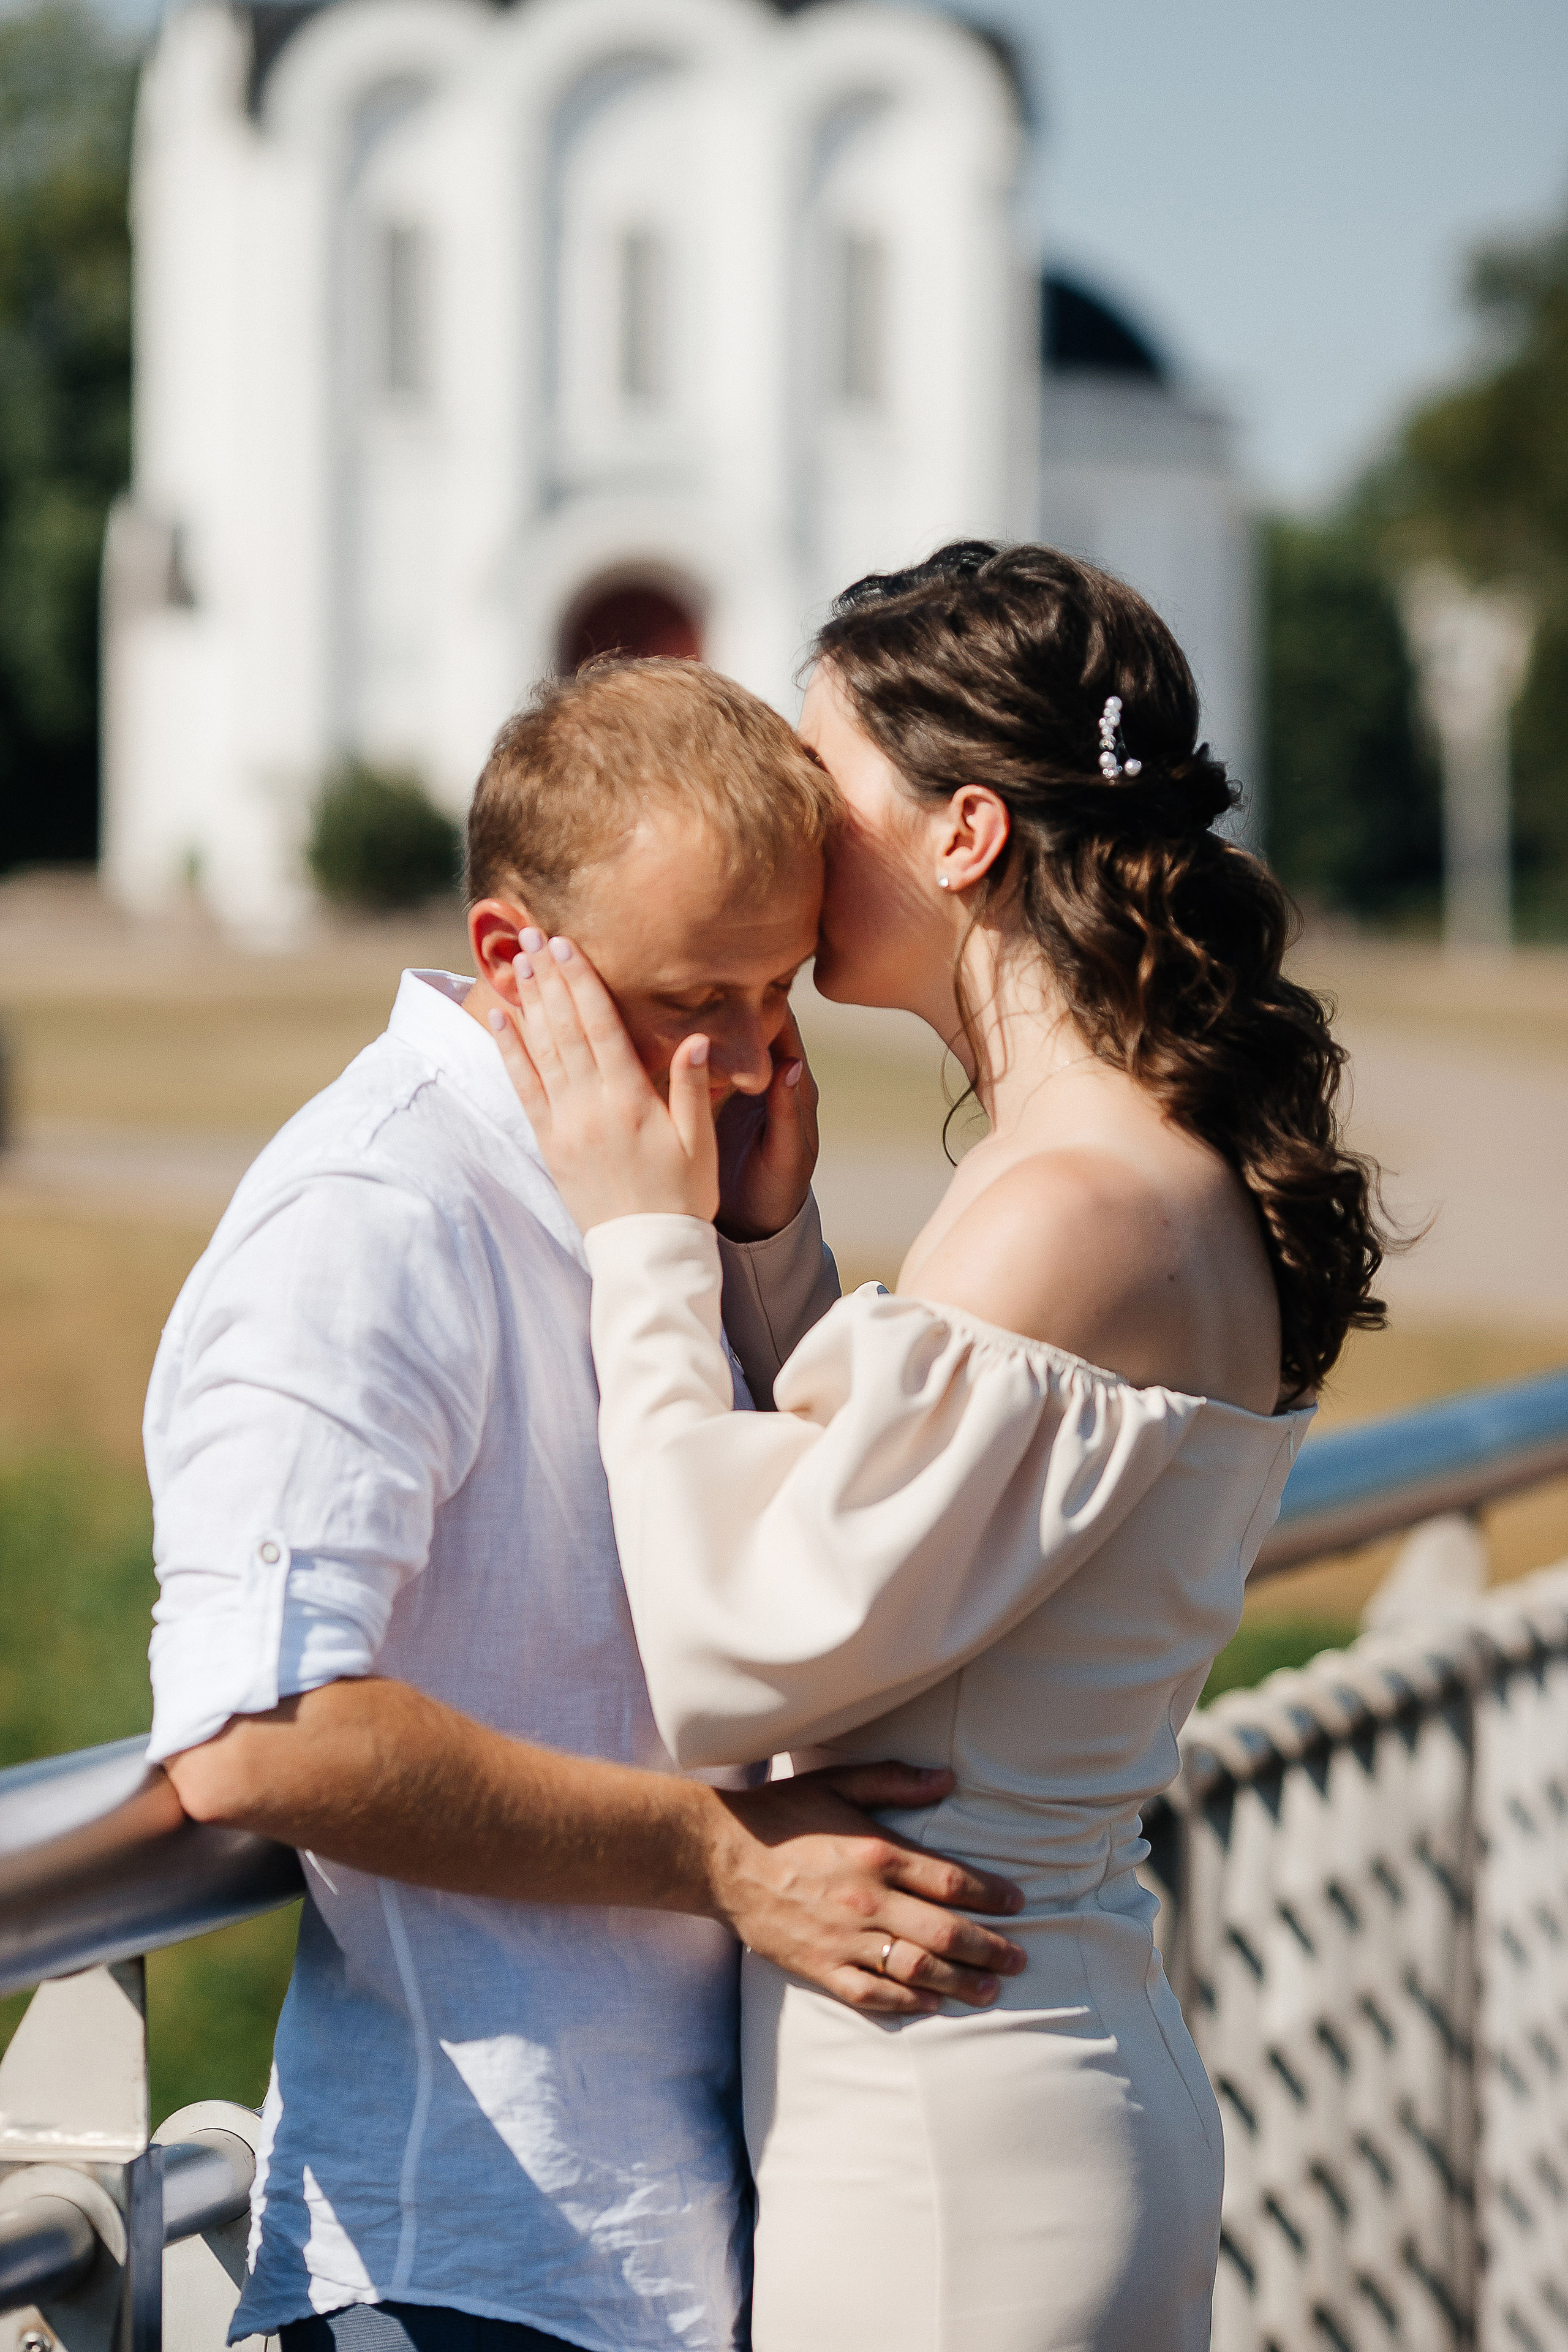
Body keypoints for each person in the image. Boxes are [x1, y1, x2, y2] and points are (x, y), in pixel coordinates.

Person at [489, 543, 1390, 2352]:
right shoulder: (1127, 1164)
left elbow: (735, 1646)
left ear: (964, 834)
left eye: (823, 782)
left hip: (952, 2146)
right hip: (1031, 2074)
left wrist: (645, 1244)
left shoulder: (1066, 1195)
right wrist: (771, 1257)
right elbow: (916, 1551)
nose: (790, 827)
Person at [145, 659, 1027, 2352]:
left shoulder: (666, 1171)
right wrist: (719, 1856)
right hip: (464, 2266)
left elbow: (751, 1590)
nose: (762, 1053)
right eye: (703, 995)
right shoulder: (369, 1209)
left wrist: (765, 1264)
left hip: (685, 2239)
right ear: (511, 957)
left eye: (783, 992)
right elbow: (259, 1734)